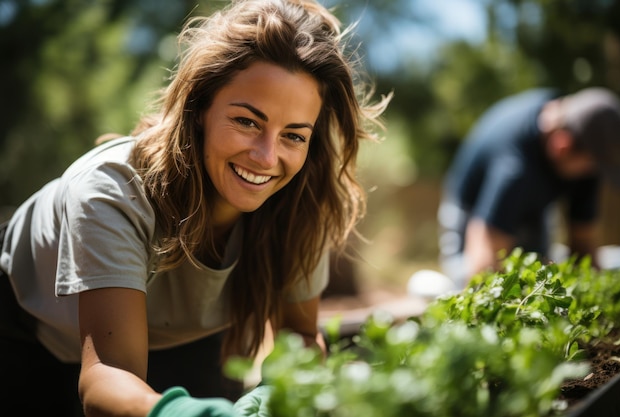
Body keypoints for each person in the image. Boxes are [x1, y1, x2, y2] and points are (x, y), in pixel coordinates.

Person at [0, 0, 391, 416]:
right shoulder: (112, 192)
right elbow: (106, 380)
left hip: (178, 339)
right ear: (200, 107)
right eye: (247, 121)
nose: (265, 156)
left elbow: (299, 336)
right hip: (24, 337)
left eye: (293, 136)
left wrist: (277, 397)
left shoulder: (302, 203)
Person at [410, 87, 620, 296]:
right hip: (472, 210)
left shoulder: (584, 148)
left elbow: (583, 247)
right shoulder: (513, 168)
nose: (592, 175)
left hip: (535, 205)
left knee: (539, 282)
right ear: (562, 146)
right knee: (475, 289)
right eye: (590, 167)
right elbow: (484, 263)